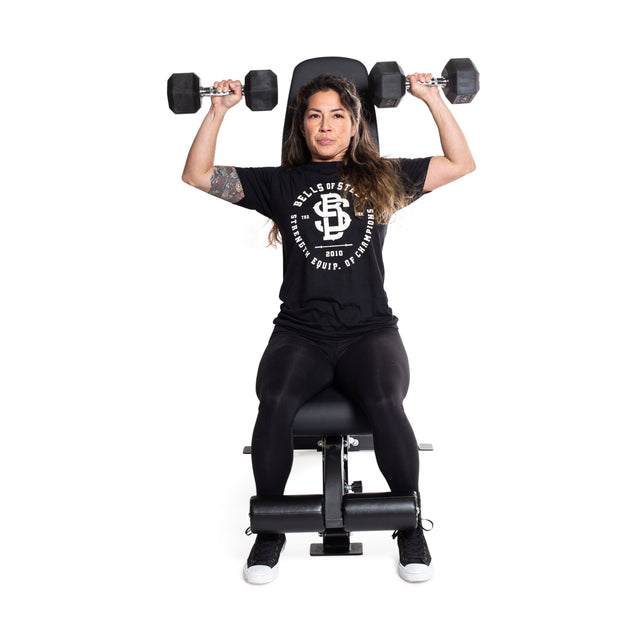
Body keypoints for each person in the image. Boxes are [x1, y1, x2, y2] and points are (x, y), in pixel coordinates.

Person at [181, 68, 475, 584]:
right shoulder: (280, 183)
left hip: (370, 333)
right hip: (301, 334)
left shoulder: (382, 175)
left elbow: (460, 162)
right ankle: (269, 528)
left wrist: (430, 96)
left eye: (337, 115)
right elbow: (198, 174)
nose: (325, 125)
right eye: (314, 115)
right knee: (274, 402)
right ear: (301, 126)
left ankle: (409, 527)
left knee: (386, 401)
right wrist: (218, 110)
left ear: (355, 123)